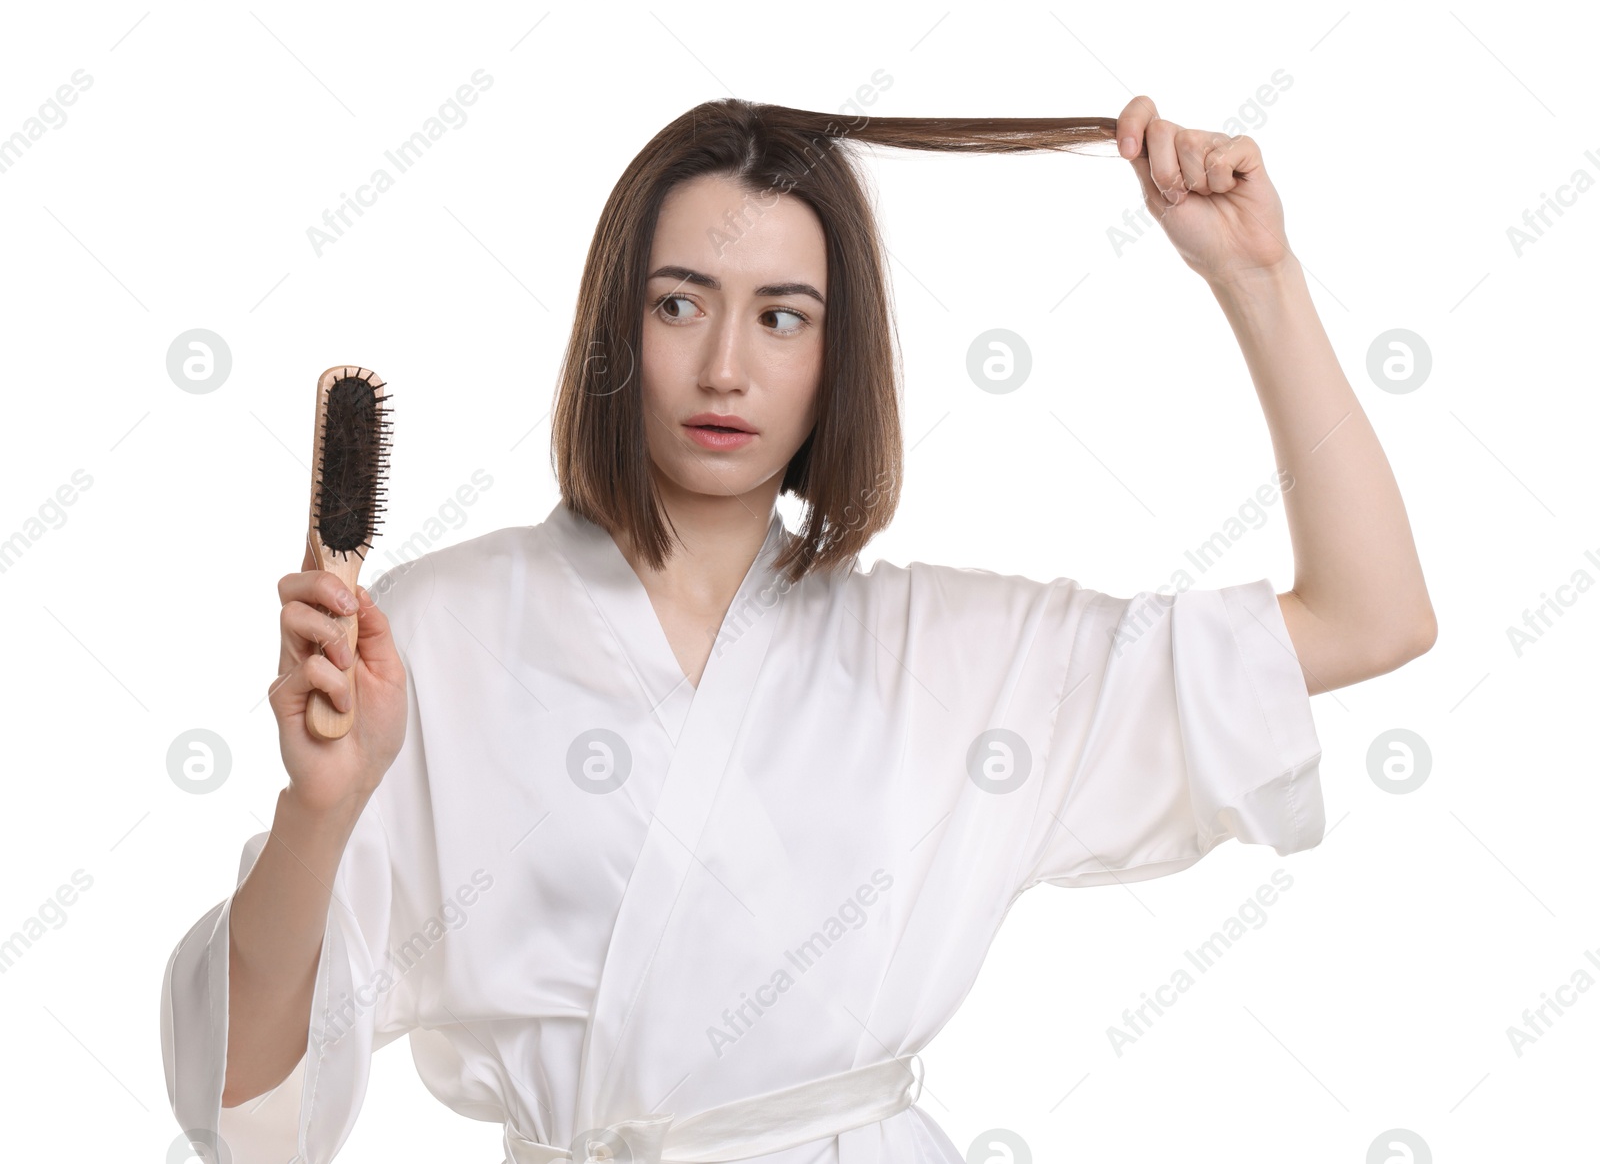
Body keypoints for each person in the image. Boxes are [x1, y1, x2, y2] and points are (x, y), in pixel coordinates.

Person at [161, 95, 1436, 1164]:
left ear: (839, 355)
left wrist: (1256, 278)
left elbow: (1369, 617)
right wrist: (320, 808)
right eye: (677, 303)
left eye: (782, 315)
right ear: (617, 329)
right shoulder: (434, 635)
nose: (725, 366)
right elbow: (251, 1112)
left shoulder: (945, 651)